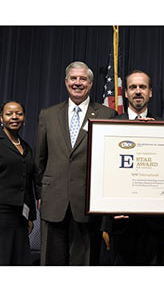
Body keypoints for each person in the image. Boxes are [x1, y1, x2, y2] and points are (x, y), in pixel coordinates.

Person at [34, 61, 117, 266]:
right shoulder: (48, 114)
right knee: (51, 263)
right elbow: (39, 160)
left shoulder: (107, 115)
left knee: (84, 264)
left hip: (88, 204)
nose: (78, 83)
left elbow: (110, 161)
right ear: (66, 82)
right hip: (53, 202)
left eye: (83, 79)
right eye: (73, 78)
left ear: (90, 84)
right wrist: (41, 193)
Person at [102, 70, 164, 265]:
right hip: (120, 219)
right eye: (133, 87)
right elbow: (104, 172)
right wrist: (109, 206)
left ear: (150, 93)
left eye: (142, 87)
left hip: (153, 222)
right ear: (126, 93)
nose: (138, 91)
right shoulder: (108, 127)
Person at [0, 101, 36, 265]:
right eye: (9, 114)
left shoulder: (26, 147)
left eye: (18, 113)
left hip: (20, 215)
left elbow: (28, 183)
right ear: (1, 118)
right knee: (1, 256)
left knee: (19, 257)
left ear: (24, 119)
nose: (14, 117)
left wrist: (31, 216)